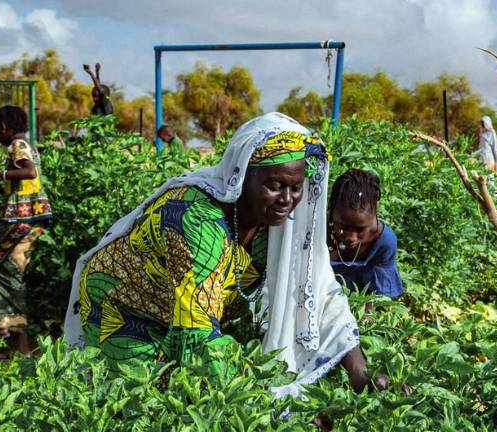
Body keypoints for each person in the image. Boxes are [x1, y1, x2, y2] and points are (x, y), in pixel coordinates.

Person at [64, 113, 379, 397]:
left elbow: (320, 292)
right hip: (124, 310)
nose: (287, 199)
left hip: (181, 317)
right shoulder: (195, 219)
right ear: (242, 177)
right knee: (142, 399)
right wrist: (271, 399)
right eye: (274, 185)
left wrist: (360, 373)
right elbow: (197, 335)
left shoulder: (277, 220)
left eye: (295, 188)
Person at [0, 106, 52, 358]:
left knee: (3, 273)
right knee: (9, 275)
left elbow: (29, 171)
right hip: (29, 220)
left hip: (22, 221)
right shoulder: (25, 144)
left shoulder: (17, 145)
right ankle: (15, 343)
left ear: (4, 127)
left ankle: (8, 338)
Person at [327, 169, 404, 299]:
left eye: (360, 229)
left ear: (374, 214)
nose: (351, 238)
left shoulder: (384, 242)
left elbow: (375, 297)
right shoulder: (317, 229)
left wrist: (364, 318)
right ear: (331, 210)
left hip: (358, 304)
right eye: (342, 227)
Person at [477, 116, 497, 196]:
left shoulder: (492, 133)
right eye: (481, 123)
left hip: (489, 160)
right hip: (481, 160)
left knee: (490, 180)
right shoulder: (482, 134)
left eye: (483, 123)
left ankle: (493, 198)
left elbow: (495, 148)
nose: (482, 125)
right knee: (482, 179)